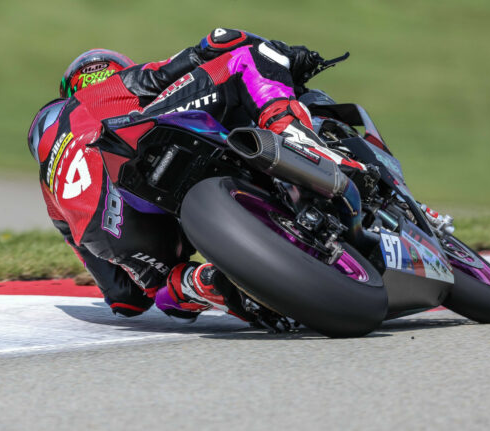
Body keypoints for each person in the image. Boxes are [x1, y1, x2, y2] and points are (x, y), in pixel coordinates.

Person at [28, 28, 364, 324]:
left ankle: (197, 285)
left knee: (160, 287)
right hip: (138, 156)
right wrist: (289, 57)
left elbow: (125, 300)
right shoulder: (109, 89)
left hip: (110, 233)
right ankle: (300, 140)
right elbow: (216, 43)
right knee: (246, 58)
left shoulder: (49, 180)